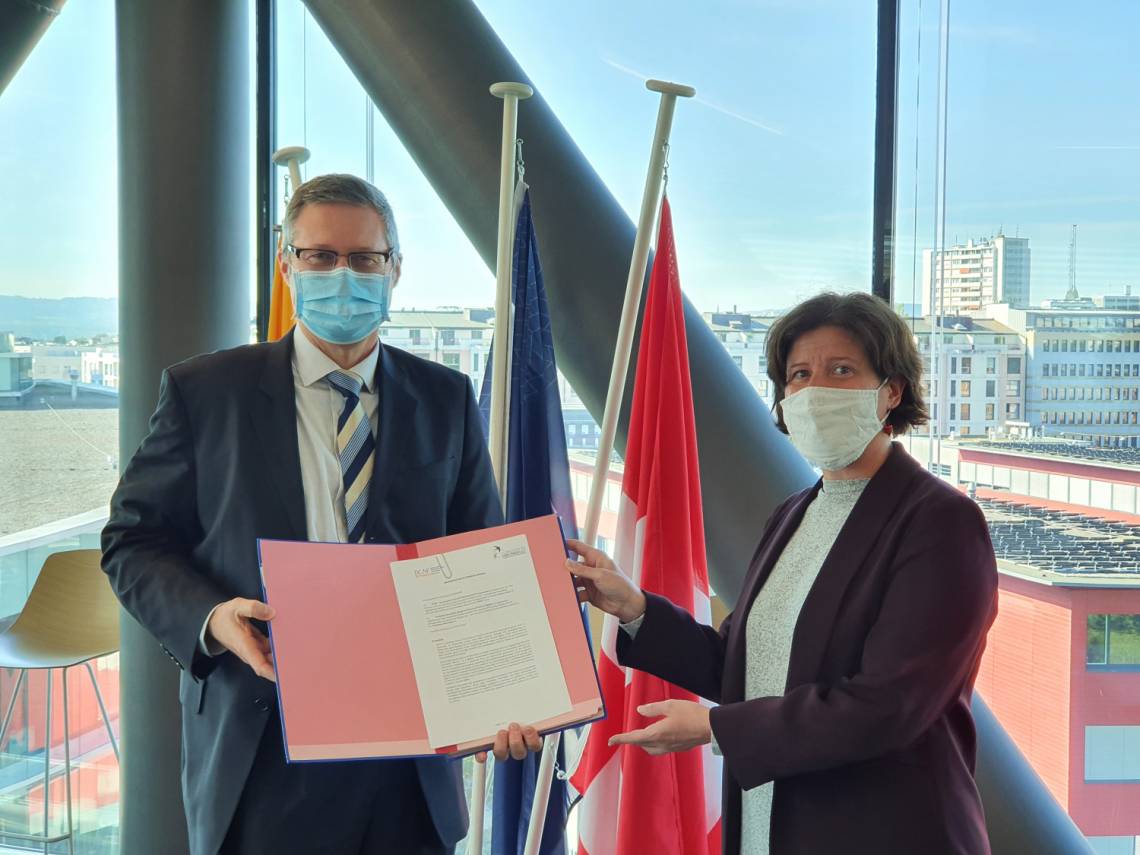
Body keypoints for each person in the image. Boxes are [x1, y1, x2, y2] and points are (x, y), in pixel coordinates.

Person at [102, 174, 540, 855]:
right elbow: (133, 540)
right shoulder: (205, 392)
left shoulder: (447, 399)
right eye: (321, 256)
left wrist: (506, 696)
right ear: (287, 265)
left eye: (366, 258)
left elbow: (482, 559)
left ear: (395, 270)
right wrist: (212, 617)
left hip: (411, 761)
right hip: (263, 749)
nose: (345, 274)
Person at [568, 292, 998, 854]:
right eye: (799, 374)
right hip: (770, 828)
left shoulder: (940, 521)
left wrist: (715, 728)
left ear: (891, 391)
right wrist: (636, 610)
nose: (814, 389)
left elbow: (887, 706)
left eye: (841, 370)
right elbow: (747, 668)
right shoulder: (795, 512)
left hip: (885, 833)